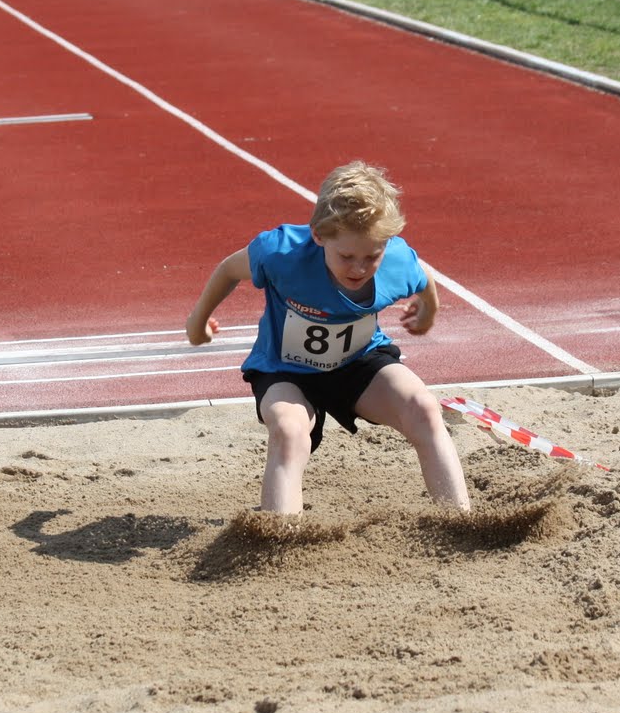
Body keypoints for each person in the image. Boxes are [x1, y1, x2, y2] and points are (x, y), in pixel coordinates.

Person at [185, 162, 471, 517]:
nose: (359, 269)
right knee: (289, 430)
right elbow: (229, 269)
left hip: (358, 363)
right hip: (285, 369)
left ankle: (460, 521)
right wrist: (197, 323)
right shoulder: (282, 253)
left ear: (386, 244)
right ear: (319, 236)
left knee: (424, 409)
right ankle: (280, 536)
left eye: (372, 257)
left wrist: (428, 312)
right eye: (346, 256)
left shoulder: (396, 260)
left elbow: (422, 276)